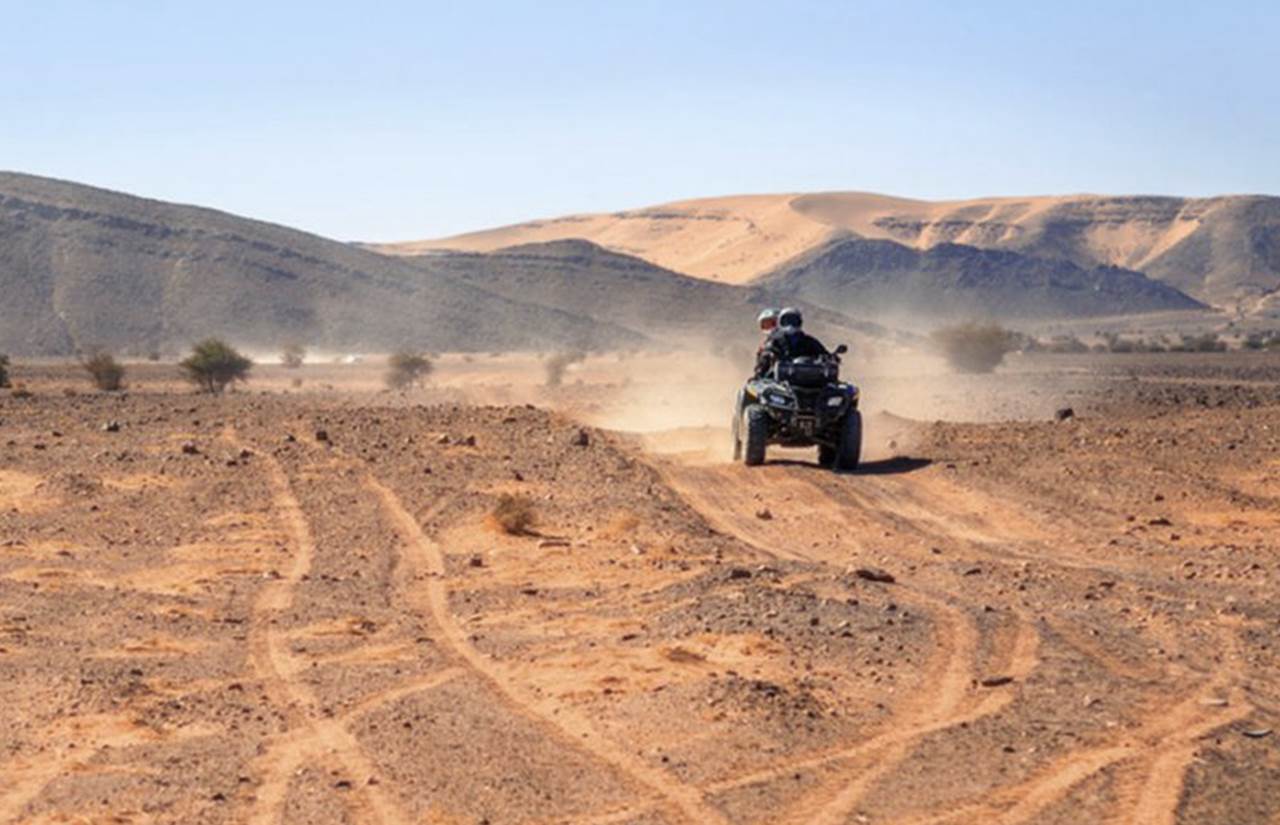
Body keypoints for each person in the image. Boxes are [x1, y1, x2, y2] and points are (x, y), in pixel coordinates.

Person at [756, 307, 828, 376]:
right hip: (779, 380)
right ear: (781, 322)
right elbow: (764, 362)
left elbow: (825, 355)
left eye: (794, 320)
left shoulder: (809, 341)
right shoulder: (774, 342)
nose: (790, 325)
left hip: (810, 380)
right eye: (786, 321)